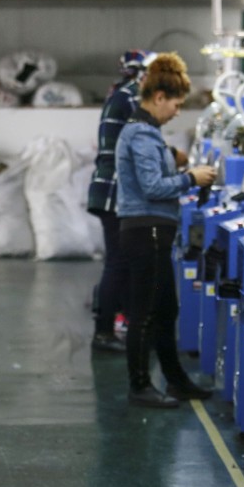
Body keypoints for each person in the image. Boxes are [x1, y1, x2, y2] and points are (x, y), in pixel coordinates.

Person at [115, 53, 217, 408]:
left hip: (154, 231)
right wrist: (191, 178)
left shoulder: (147, 134)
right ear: (159, 97)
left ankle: (176, 381)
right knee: (144, 314)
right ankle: (140, 385)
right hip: (147, 232)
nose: (176, 111)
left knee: (165, 310)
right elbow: (153, 187)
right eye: (175, 104)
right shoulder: (141, 134)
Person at [88, 50, 153, 353]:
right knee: (118, 262)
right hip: (116, 190)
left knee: (124, 261)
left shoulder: (123, 93)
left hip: (112, 188)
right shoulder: (131, 97)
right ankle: (104, 331)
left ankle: (125, 325)